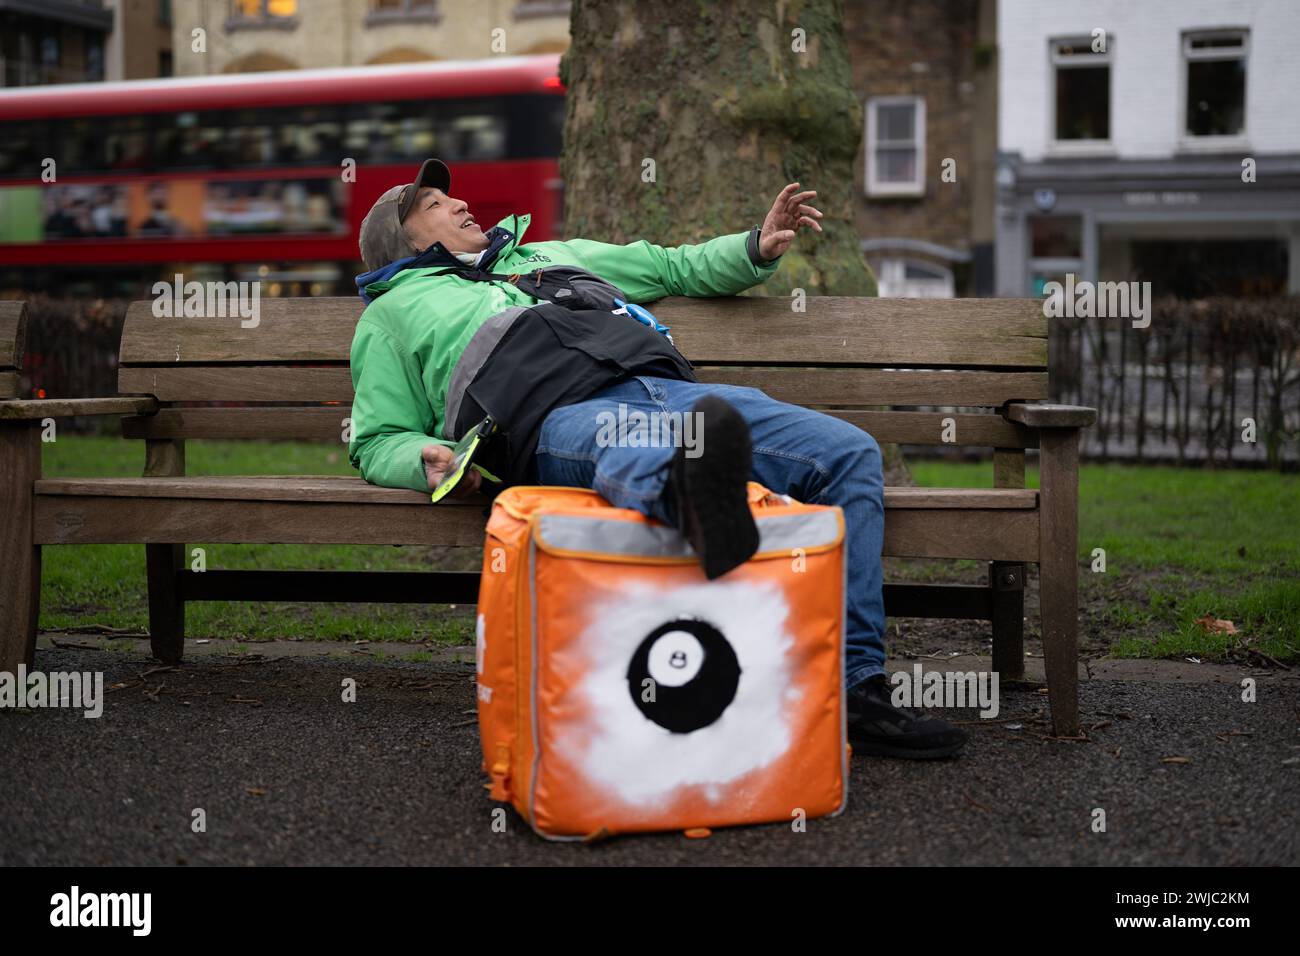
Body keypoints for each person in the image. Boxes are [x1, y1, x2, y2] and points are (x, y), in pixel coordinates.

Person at [350, 158, 967, 760]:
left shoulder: (550, 255)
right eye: (433, 205)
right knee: (637, 448)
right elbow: (377, 437)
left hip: (670, 390)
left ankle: (858, 688)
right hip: (550, 418)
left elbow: (671, 268)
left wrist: (755, 247)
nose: (459, 203)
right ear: (399, 247)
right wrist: (424, 457)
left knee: (846, 453)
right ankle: (696, 499)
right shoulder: (393, 314)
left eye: (449, 197)